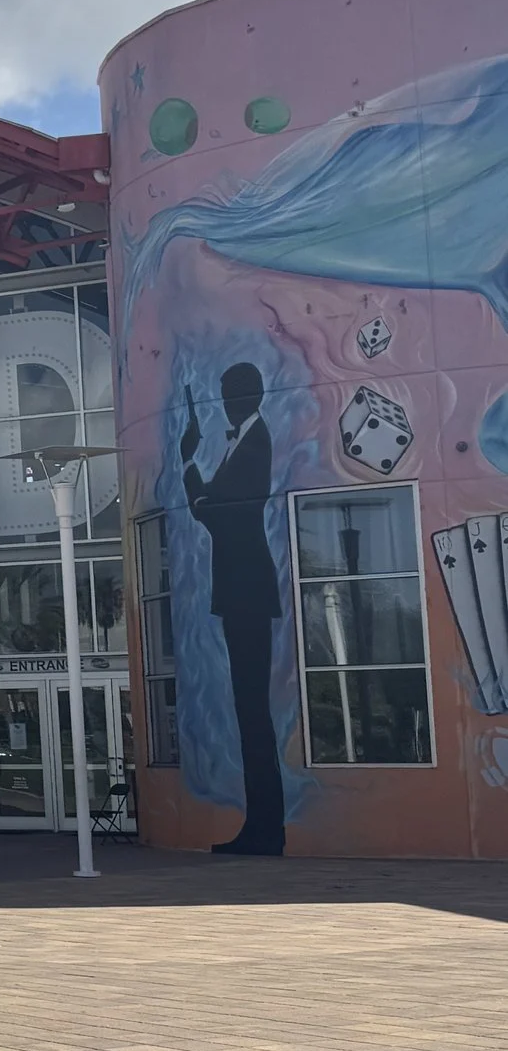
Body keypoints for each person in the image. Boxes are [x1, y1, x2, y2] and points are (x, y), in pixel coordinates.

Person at [180, 363, 285, 854]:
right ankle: (262, 827)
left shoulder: (256, 441)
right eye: (225, 392)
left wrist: (189, 468)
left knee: (253, 712)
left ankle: (266, 829)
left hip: (247, 588)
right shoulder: (241, 440)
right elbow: (217, 511)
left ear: (257, 394)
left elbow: (219, 517)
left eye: (237, 392)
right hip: (242, 590)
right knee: (249, 712)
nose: (230, 401)